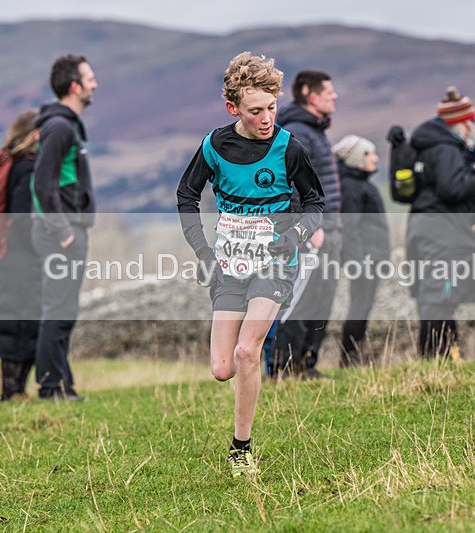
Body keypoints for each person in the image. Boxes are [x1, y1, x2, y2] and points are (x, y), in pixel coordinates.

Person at [176, 52, 324, 477]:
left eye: (272, 109)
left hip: (278, 260)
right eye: (256, 111)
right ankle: (241, 435)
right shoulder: (214, 146)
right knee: (222, 368)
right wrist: (204, 251)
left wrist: (294, 235)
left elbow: (315, 200)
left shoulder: (287, 147)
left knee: (246, 350)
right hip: (229, 264)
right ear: (233, 109)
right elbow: (187, 196)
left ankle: (241, 448)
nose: (266, 119)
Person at [391, 86, 475, 360]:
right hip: (443, 233)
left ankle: (446, 353)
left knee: (435, 295)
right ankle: (433, 357)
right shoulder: (445, 149)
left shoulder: (428, 146)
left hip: (424, 228)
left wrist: (470, 165)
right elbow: (451, 189)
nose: (472, 128)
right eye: (469, 122)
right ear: (461, 123)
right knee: (438, 297)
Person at [30, 54, 98, 401]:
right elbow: (42, 185)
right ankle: (50, 388)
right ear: (74, 86)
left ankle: (62, 384)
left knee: (65, 310)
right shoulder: (59, 127)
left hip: (70, 231)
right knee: (58, 309)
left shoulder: (67, 125)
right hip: (61, 234)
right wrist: (65, 233)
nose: (95, 84)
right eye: (89, 78)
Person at [271, 70, 341, 379]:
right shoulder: (298, 131)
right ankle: (285, 366)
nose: (335, 96)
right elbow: (291, 185)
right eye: (329, 92)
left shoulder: (314, 130)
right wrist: (306, 227)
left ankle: (305, 365)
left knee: (320, 296)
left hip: (328, 229)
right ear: (312, 96)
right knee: (300, 297)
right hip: (312, 230)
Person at [0, 110, 41, 401]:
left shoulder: (13, 166)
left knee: (15, 325)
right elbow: (23, 217)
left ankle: (13, 391)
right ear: (36, 135)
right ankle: (13, 391)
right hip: (23, 259)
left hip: (11, 257)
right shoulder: (28, 169)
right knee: (23, 326)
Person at [333, 134, 390, 366]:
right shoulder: (352, 187)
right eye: (370, 154)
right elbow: (350, 227)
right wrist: (356, 261)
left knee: (363, 307)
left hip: (370, 257)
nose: (375, 158)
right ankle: (349, 358)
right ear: (357, 158)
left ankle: (354, 355)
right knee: (359, 307)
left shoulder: (359, 184)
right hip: (364, 259)